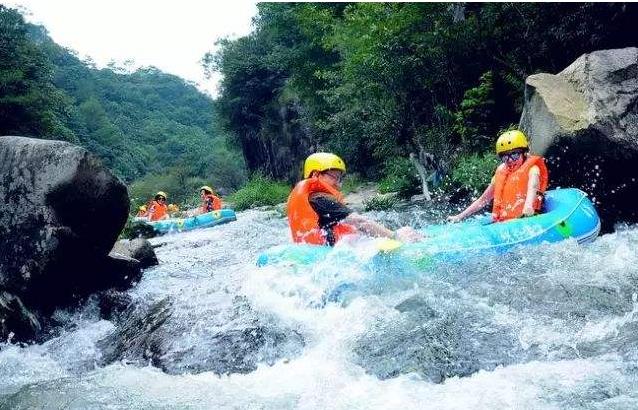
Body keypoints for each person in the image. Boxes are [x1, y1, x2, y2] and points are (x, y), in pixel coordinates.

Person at [287, 152, 422, 246]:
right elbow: (359, 221)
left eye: (339, 178)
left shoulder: (312, 198)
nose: (337, 183)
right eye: (333, 176)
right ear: (316, 174)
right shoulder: (320, 199)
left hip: (316, 250)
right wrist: (395, 236)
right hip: (329, 251)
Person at [447, 130, 548, 223]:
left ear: (524, 153)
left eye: (514, 155)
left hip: (528, 218)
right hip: (505, 222)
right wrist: (459, 216)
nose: (510, 160)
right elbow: (483, 200)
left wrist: (528, 206)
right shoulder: (501, 173)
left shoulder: (533, 169)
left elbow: (533, 187)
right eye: (505, 156)